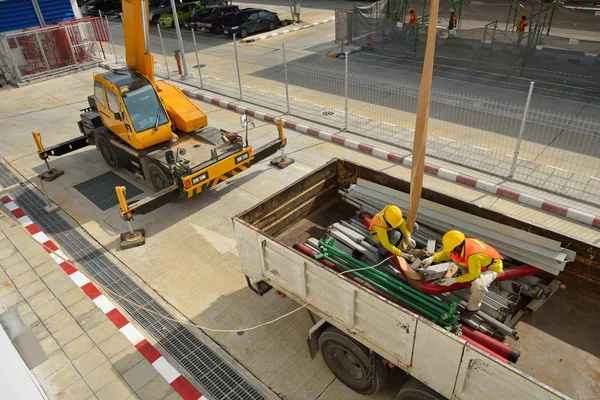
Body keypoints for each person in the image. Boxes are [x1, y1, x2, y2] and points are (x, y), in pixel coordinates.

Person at [422, 230, 503, 318]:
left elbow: (474, 275)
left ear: (458, 248)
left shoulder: (473, 255)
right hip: (476, 263)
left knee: (478, 284)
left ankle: (473, 308)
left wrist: (454, 280)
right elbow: (446, 253)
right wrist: (432, 258)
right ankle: (466, 277)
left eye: (452, 250)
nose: (450, 252)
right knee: (454, 257)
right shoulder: (459, 243)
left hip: (491, 267)